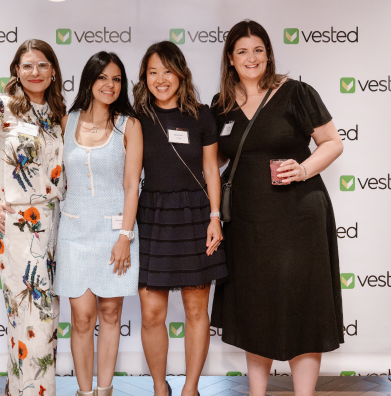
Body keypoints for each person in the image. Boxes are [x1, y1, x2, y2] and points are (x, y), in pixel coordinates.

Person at [210, 20, 344, 396]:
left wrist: (303, 169)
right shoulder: (220, 106)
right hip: (248, 224)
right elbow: (213, 161)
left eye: (258, 50)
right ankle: (257, 393)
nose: (251, 58)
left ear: (268, 54)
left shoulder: (296, 93)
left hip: (299, 217)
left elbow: (332, 142)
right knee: (256, 307)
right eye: (242, 51)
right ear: (230, 59)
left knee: (302, 305)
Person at [0, 39, 66, 395]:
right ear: (16, 71)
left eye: (42, 65)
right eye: (27, 65)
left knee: (43, 320)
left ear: (53, 72)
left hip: (57, 231)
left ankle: (17, 389)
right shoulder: (1, 108)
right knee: (32, 316)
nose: (35, 72)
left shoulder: (57, 114)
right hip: (19, 230)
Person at [133, 41, 227, 396]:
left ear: (181, 73)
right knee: (152, 313)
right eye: (153, 71)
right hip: (152, 216)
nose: (161, 79)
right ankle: (160, 388)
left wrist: (214, 217)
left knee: (195, 310)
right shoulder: (136, 117)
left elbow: (211, 171)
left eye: (167, 71)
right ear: (145, 76)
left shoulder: (201, 115)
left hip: (195, 216)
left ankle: (190, 389)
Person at [54, 52, 142, 396]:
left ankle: (104, 391)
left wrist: (124, 236)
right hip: (74, 233)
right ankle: (83, 391)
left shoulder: (128, 125)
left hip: (114, 233)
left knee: (110, 313)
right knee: (81, 317)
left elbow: (131, 185)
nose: (110, 85)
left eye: (117, 79)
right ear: (89, 80)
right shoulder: (66, 121)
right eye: (103, 77)